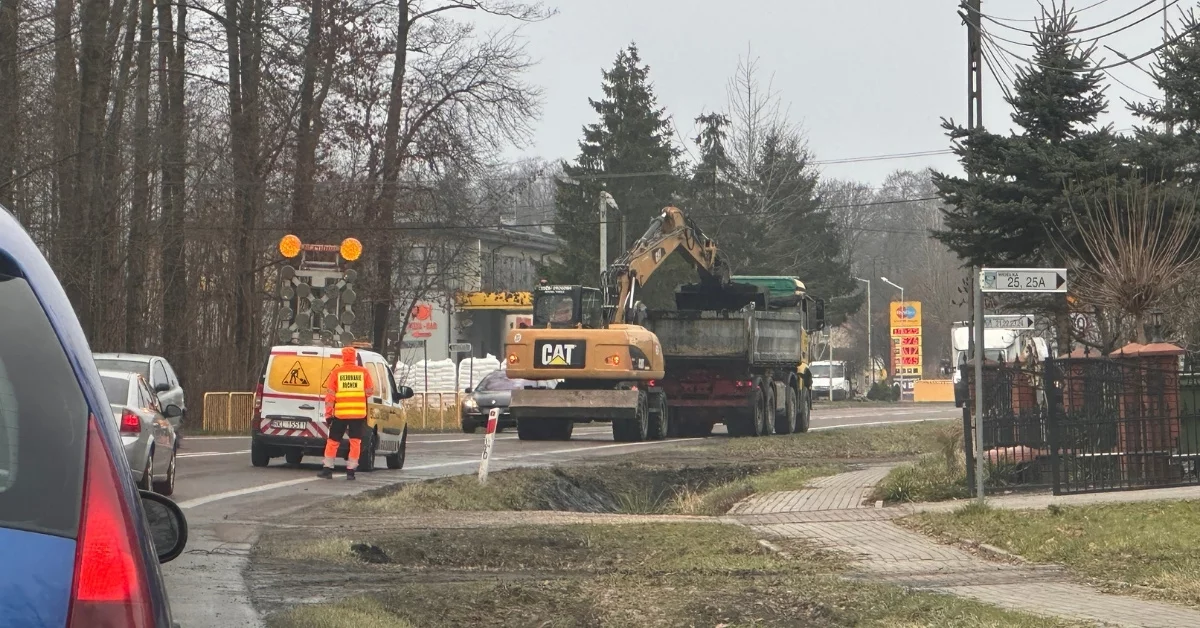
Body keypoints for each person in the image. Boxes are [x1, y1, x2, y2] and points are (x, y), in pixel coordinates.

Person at [318, 346, 375, 480]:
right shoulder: (363, 372)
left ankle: (327, 469)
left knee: (333, 441)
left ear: (343, 357)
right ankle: (351, 471)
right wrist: (359, 396)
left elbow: (330, 396)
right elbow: (370, 391)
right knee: (355, 442)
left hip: (340, 414)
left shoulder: (336, 373)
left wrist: (328, 414)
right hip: (358, 414)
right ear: (354, 357)